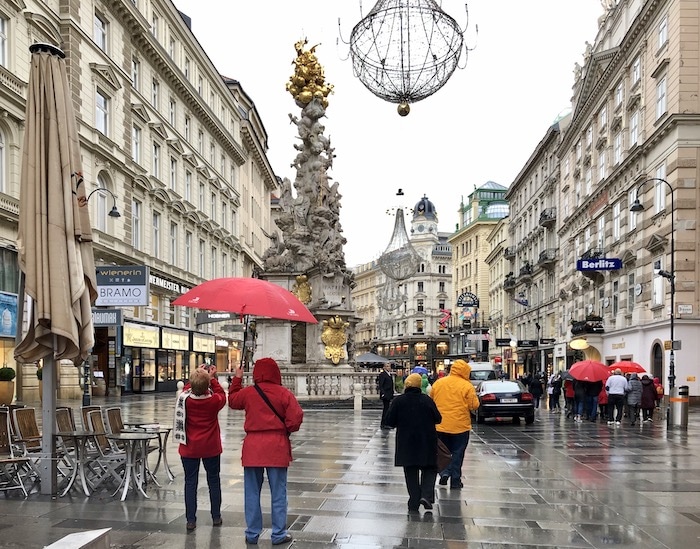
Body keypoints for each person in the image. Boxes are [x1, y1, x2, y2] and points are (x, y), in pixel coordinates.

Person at [228, 357, 304, 546]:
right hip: (276, 446)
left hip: (253, 446)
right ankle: (278, 534)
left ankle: (252, 533)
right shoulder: (284, 393)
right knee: (279, 492)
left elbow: (232, 401)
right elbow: (296, 418)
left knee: (252, 492)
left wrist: (237, 378)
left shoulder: (248, 393)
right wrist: (285, 428)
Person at [174, 365, 226, 532]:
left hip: (190, 448)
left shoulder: (185, 400)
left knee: (190, 482)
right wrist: (212, 379)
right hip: (210, 447)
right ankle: (216, 516)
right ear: (207, 386)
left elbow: (189, 389)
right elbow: (222, 395)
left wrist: (196, 376)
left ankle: (191, 520)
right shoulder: (214, 401)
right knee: (214, 480)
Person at [384, 373, 442, 512]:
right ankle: (426, 496)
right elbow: (438, 418)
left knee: (410, 471)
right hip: (426, 440)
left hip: (406, 442)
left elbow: (389, 421)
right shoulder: (427, 400)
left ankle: (414, 500)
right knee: (430, 468)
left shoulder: (399, 401)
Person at [430, 359, 480, 489]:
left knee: (442, 453)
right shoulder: (467, 386)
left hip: (440, 425)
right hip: (460, 426)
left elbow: (431, 400)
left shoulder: (438, 383)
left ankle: (444, 472)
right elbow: (474, 405)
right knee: (458, 453)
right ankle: (455, 481)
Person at [377, 362, 395, 429]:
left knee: (387, 409)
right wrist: (383, 393)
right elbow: (381, 385)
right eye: (387, 366)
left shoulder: (389, 374)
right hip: (385, 394)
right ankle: (384, 423)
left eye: (389, 366)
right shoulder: (383, 374)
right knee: (386, 409)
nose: (388, 367)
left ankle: (385, 423)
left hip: (389, 393)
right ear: (384, 367)